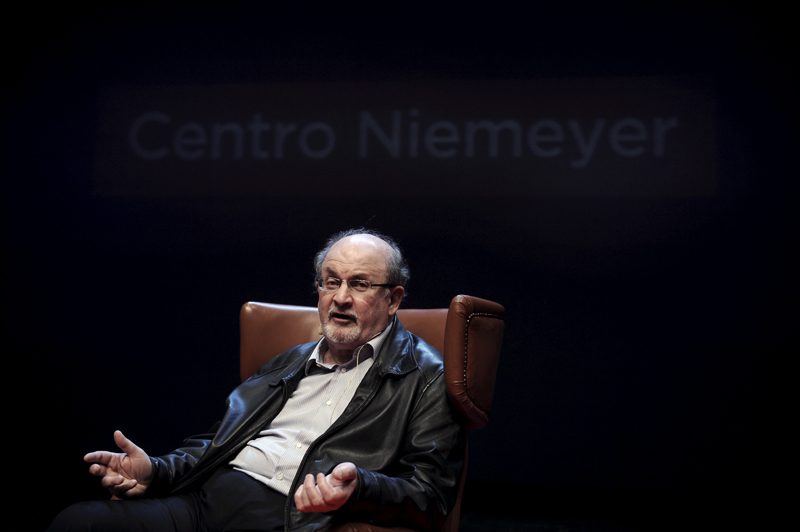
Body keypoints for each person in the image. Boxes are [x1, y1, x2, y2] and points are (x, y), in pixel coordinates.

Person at [49, 229, 465, 532]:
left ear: (393, 299)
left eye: (359, 284)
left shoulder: (428, 378)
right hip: (202, 505)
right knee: (78, 522)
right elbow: (217, 445)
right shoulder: (288, 362)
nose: (340, 297)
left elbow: (431, 495)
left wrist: (359, 488)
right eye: (331, 281)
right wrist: (155, 471)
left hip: (289, 519)